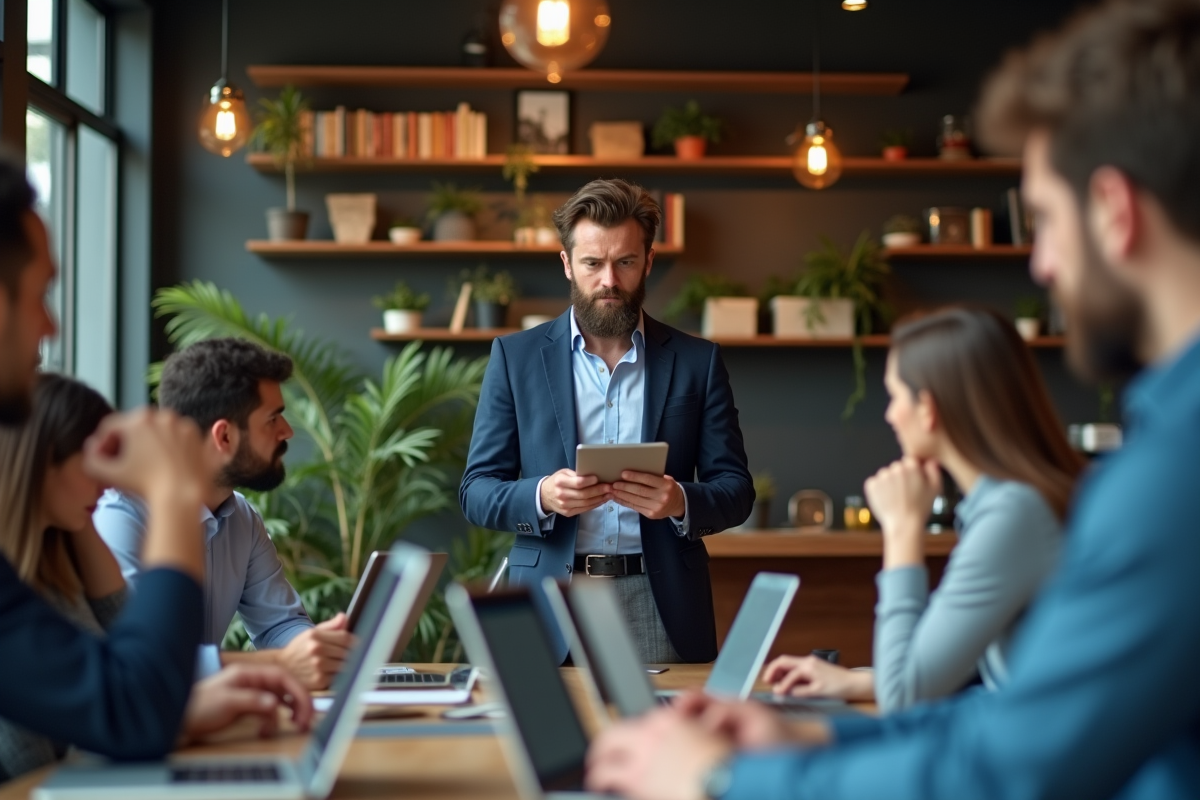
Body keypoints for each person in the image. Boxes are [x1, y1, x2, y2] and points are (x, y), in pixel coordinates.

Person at [584, 1, 1200, 797]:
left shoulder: (1170, 478)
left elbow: (1013, 766)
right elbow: (1016, 717)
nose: (1042, 264)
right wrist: (809, 736)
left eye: (1044, 220)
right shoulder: (1159, 453)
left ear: (1115, 211)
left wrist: (729, 780)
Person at [0, 156, 311, 782]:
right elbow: (133, 702)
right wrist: (169, 490)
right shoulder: (128, 514)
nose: (51, 326)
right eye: (40, 294)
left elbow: (123, 690)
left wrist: (186, 711)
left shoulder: (62, 551)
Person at [460, 178, 754, 664]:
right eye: (593, 264)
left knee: (665, 741)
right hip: (551, 598)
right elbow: (476, 490)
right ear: (567, 264)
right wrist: (542, 495)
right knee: (552, 738)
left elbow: (736, 489)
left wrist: (680, 500)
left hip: (661, 602)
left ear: (648, 263)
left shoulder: (697, 361)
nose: (609, 282)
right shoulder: (515, 358)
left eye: (626, 262)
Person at [763, 308, 1084, 712]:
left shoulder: (1013, 514)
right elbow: (969, 668)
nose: (889, 414)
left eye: (895, 395)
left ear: (928, 409)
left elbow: (905, 698)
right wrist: (855, 681)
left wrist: (901, 528)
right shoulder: (1013, 503)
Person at [94, 338, 351, 690]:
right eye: (273, 418)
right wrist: (281, 664)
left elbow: (278, 625)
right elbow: (142, 662)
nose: (287, 431)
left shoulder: (241, 516)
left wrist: (319, 652)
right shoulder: (120, 517)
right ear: (224, 436)